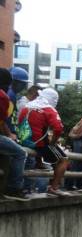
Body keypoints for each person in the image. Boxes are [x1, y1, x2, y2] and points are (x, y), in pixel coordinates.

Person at [17, 88, 69, 197]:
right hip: (38, 144)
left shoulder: (27, 106)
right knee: (63, 161)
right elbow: (58, 129)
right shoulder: (49, 109)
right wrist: (52, 143)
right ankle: (54, 188)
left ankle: (26, 187)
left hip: (23, 140)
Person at [0, 69, 28, 201]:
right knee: (20, 153)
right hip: (5, 133)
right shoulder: (6, 96)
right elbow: (3, 120)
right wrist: (9, 134)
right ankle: (13, 188)